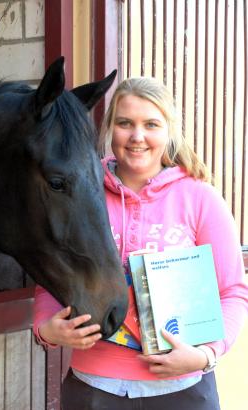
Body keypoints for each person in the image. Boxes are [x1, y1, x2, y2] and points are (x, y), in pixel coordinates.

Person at [33, 77, 248, 409]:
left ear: (168, 131)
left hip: (184, 390)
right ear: (109, 129)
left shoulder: (199, 198)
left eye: (151, 124)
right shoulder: (81, 195)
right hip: (94, 388)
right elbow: (52, 277)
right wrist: (46, 329)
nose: (137, 136)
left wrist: (206, 354)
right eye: (125, 123)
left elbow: (233, 291)